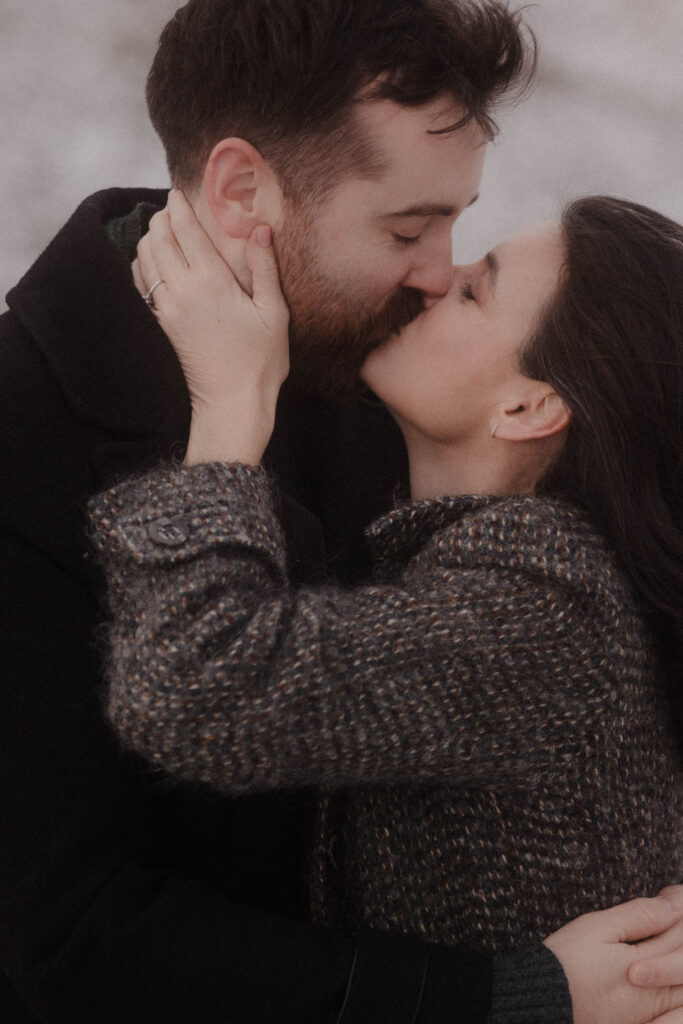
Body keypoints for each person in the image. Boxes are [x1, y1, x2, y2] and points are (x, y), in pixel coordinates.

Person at [0, 0, 681, 1019]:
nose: (438, 269)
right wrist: (504, 994)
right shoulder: (22, 427)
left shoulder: (391, 374)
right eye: (409, 226)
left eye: (456, 221)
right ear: (241, 189)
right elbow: (72, 936)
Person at [89, 186, 683, 983]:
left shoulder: (542, 603)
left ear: (526, 405)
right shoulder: (489, 559)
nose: (436, 279)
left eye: (475, 289)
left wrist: (229, 409)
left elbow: (197, 691)